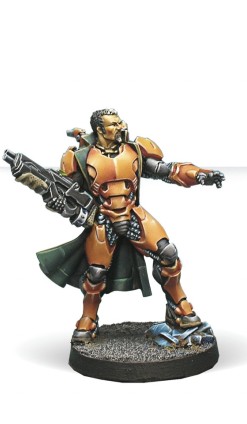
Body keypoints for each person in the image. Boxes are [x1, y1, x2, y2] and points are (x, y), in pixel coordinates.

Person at [38, 108, 224, 344]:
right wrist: (54, 201)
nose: (121, 126)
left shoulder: (134, 150)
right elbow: (67, 193)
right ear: (99, 129)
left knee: (168, 254)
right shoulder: (81, 158)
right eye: (114, 124)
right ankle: (88, 319)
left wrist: (199, 175)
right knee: (96, 273)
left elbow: (167, 170)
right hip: (103, 219)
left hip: (133, 214)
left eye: (120, 122)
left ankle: (180, 308)